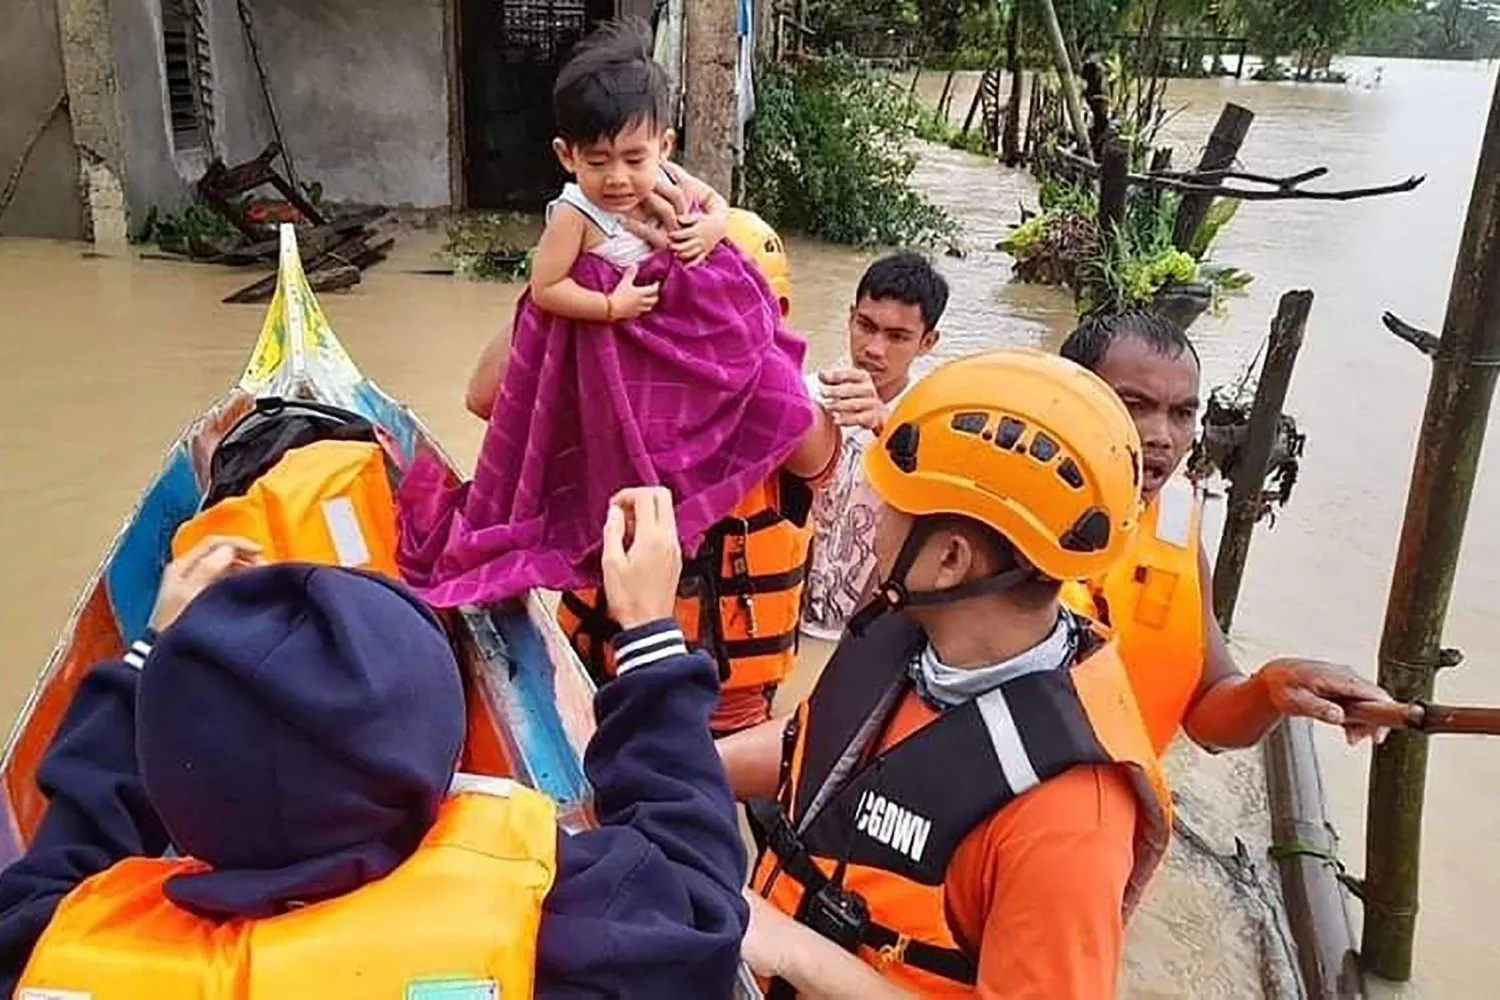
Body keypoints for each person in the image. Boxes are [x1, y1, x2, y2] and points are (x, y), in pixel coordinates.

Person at [0, 490, 750, 997]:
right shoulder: (573, 934)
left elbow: (73, 838)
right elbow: (697, 880)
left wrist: (150, 652)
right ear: (440, 759)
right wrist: (650, 635)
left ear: (166, 787)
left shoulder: (35, 941)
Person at [720, 349, 1175, 997]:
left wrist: (799, 952)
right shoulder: (910, 630)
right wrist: (684, 764)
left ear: (950, 560)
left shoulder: (1069, 817)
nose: (871, 520)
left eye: (890, 506)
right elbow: (813, 745)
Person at [397, 18, 812, 610]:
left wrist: (712, 227)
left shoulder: (672, 186)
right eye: (600, 161)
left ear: (664, 147)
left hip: (685, 331)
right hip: (610, 332)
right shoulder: (575, 218)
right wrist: (609, 304)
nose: (618, 177)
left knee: (780, 404)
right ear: (568, 157)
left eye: (633, 158)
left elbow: (716, 204)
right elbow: (538, 305)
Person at [557, 225, 886, 737]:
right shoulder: (607, 390)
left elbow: (806, 434)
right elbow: (486, 397)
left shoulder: (790, 416)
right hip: (594, 663)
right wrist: (560, 292)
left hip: (718, 705)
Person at [1058, 311, 1392, 755]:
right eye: (1134, 406)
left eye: (1182, 414)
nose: (1162, 436)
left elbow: (1208, 717)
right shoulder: (985, 523)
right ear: (1066, 398)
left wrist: (1273, 688)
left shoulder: (1172, 524)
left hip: (1117, 815)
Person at [802, 252, 947, 640]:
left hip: (868, 632)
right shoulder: (803, 396)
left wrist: (887, 426)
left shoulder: (935, 424)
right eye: (865, 326)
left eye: (898, 337)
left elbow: (952, 508)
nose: (874, 349)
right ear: (850, 317)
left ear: (928, 342)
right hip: (783, 616)